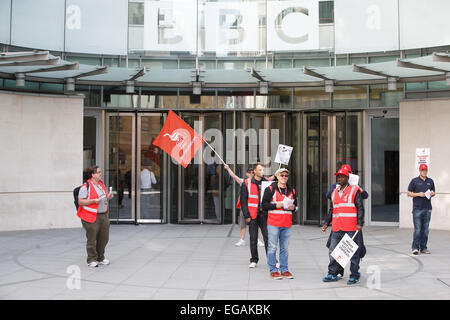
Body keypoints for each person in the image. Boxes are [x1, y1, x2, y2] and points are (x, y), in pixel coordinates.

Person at [321, 167, 365, 285]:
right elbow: (332, 210)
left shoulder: (354, 190)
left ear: (347, 178)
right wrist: (326, 223)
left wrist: (360, 223)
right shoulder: (334, 192)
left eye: (342, 176)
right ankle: (332, 273)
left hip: (351, 227)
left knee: (353, 253)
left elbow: (360, 207)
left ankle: (354, 275)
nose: (339, 178)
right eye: (338, 177)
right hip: (337, 227)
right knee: (333, 251)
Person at [262, 168, 298, 280]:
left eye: (286, 176)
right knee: (272, 248)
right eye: (282, 175)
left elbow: (295, 206)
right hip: (273, 223)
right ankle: (273, 270)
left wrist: (293, 208)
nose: (284, 177)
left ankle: (284, 269)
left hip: (286, 224)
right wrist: (276, 205)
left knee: (284, 248)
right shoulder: (270, 189)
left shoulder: (292, 190)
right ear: (277, 176)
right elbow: (264, 205)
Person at [224, 164, 273, 247]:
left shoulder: (261, 181)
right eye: (249, 172)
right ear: (247, 174)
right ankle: (242, 239)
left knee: (256, 224)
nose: (251, 174)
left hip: (255, 208)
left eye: (252, 172)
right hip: (245, 207)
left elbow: (270, 179)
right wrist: (228, 169)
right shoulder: (244, 182)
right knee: (243, 224)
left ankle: (257, 239)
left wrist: (276, 174)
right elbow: (234, 176)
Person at [77, 166, 114, 268]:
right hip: (91, 216)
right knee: (92, 239)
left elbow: (103, 199)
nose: (100, 174)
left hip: (103, 215)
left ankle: (100, 257)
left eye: (100, 172)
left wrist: (108, 197)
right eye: (98, 172)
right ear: (92, 175)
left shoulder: (101, 185)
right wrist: (93, 201)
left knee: (104, 237)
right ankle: (91, 259)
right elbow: (80, 201)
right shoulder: (85, 186)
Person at [240, 163, 270, 268]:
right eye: (260, 170)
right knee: (253, 238)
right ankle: (254, 259)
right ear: (254, 171)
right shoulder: (246, 183)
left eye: (263, 170)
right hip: (252, 215)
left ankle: (271, 259)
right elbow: (243, 202)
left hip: (265, 215)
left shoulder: (268, 183)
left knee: (268, 238)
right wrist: (246, 215)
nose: (262, 172)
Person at [407, 164, 435, 255]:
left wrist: (432, 193)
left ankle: (423, 248)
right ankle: (415, 248)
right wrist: (418, 194)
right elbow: (408, 193)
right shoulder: (414, 181)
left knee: (425, 230)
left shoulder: (430, 181)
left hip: (427, 208)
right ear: (419, 171)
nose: (424, 172)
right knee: (418, 229)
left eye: (425, 170)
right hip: (417, 209)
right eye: (422, 170)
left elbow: (433, 192)